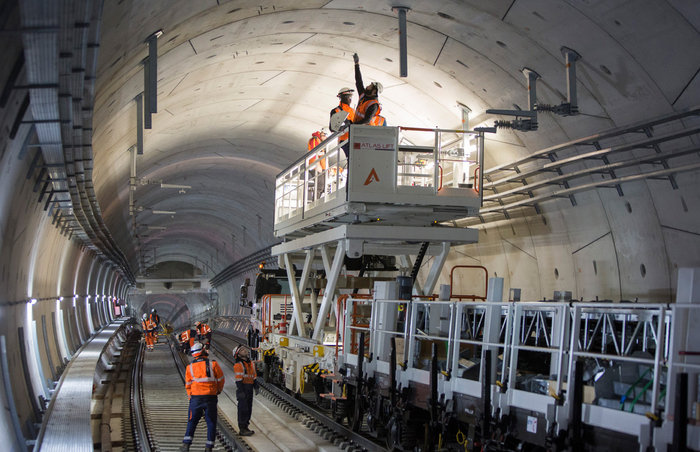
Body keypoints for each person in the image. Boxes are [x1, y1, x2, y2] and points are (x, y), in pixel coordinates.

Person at [180, 342, 225, 452]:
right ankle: (209, 447)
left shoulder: (189, 367)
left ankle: (186, 445)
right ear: (202, 351)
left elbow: (188, 384)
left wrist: (190, 396)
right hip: (210, 397)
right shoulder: (213, 364)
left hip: (196, 398)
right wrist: (218, 390)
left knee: (192, 421)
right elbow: (220, 379)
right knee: (211, 422)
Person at [352, 53, 384, 127]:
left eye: (370, 86)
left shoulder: (374, 105)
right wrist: (356, 64)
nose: (367, 86)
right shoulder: (363, 95)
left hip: (364, 131)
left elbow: (367, 120)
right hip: (357, 128)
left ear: (374, 91)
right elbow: (359, 81)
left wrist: (352, 125)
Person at [233, 345, 258, 436]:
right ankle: (242, 429)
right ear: (238, 355)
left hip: (249, 388)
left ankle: (246, 426)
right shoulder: (238, 365)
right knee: (243, 409)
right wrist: (241, 391)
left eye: (244, 349)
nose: (245, 350)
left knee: (248, 409)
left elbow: (253, 376)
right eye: (242, 350)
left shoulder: (251, 363)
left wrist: (256, 386)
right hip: (243, 389)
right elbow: (238, 380)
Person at [329, 87, 356, 158]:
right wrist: (346, 125)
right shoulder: (336, 110)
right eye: (348, 97)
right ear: (342, 97)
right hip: (344, 139)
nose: (350, 99)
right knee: (351, 158)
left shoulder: (353, 111)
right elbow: (332, 128)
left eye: (351, 97)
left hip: (354, 138)